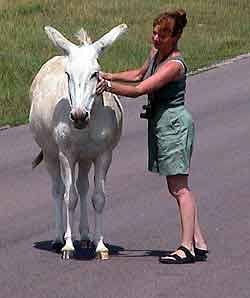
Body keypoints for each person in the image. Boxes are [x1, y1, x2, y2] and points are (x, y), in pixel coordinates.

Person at [96, 9, 208, 264]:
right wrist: (108, 75)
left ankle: (186, 247)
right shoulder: (157, 54)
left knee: (180, 188)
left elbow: (140, 89)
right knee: (176, 186)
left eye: (162, 35)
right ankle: (198, 242)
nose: (155, 39)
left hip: (174, 125)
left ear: (176, 36)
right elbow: (137, 74)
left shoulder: (174, 66)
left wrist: (107, 87)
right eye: (154, 33)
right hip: (162, 124)